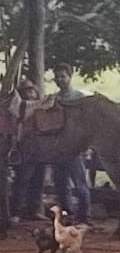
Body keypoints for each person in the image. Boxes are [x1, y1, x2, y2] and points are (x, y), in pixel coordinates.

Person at [48, 63, 91, 224]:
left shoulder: (80, 98)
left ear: (69, 77)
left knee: (80, 185)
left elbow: (87, 124)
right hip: (57, 148)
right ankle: (67, 215)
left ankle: (85, 217)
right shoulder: (54, 98)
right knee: (60, 185)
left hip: (74, 148)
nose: (60, 80)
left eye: (63, 76)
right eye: (57, 77)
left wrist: (85, 144)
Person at [9, 76, 47, 222]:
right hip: (25, 146)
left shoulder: (41, 105)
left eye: (31, 90)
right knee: (22, 180)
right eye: (26, 91)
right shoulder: (20, 106)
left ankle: (33, 209)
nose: (29, 93)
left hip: (41, 147)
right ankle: (16, 211)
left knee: (38, 180)